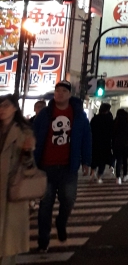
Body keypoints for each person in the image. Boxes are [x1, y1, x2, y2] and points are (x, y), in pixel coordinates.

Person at [33, 80, 91, 253]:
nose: (59, 93)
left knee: (68, 200)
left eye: (64, 91)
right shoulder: (45, 114)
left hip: (68, 167)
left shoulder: (78, 115)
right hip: (45, 167)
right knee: (45, 206)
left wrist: (86, 161)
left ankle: (61, 222)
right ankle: (43, 240)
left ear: (70, 94)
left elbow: (86, 138)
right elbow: (33, 134)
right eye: (57, 90)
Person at [0, 93, 35, 265]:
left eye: (6, 105)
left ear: (15, 108)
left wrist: (27, 152)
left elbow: (29, 165)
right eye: (0, 106)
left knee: (9, 240)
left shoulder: (24, 132)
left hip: (12, 190)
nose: (2, 109)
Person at [90, 103, 113, 183]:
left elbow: (90, 130)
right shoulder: (109, 119)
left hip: (95, 141)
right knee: (102, 160)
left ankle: (93, 172)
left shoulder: (95, 118)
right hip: (105, 142)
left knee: (94, 157)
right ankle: (99, 176)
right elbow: (111, 132)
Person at [112, 108, 128, 184]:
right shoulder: (127, 124)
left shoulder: (115, 123)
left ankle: (118, 177)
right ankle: (125, 175)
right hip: (125, 144)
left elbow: (112, 134)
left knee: (119, 160)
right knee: (125, 160)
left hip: (116, 144)